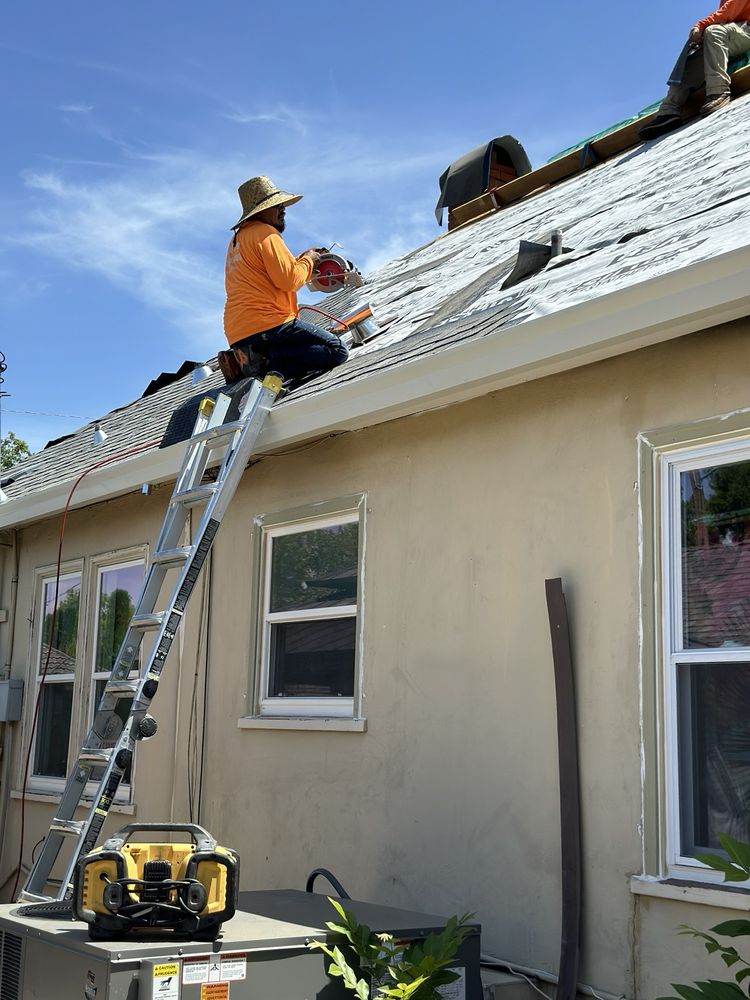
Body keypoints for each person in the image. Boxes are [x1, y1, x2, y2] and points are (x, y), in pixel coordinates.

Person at [223, 175, 349, 385]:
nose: (283, 209)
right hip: (269, 324)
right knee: (335, 350)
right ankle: (263, 367)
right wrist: (309, 261)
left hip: (240, 332)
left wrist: (304, 259)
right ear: (261, 211)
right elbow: (289, 280)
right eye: (276, 206)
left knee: (297, 348)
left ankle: (250, 361)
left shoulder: (239, 239)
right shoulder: (267, 234)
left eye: (282, 204)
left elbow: (271, 275)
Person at [639, 0, 750, 140]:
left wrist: (701, 26)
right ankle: (669, 111)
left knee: (714, 31)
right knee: (695, 53)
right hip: (735, 31)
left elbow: (730, 11)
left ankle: (718, 92)